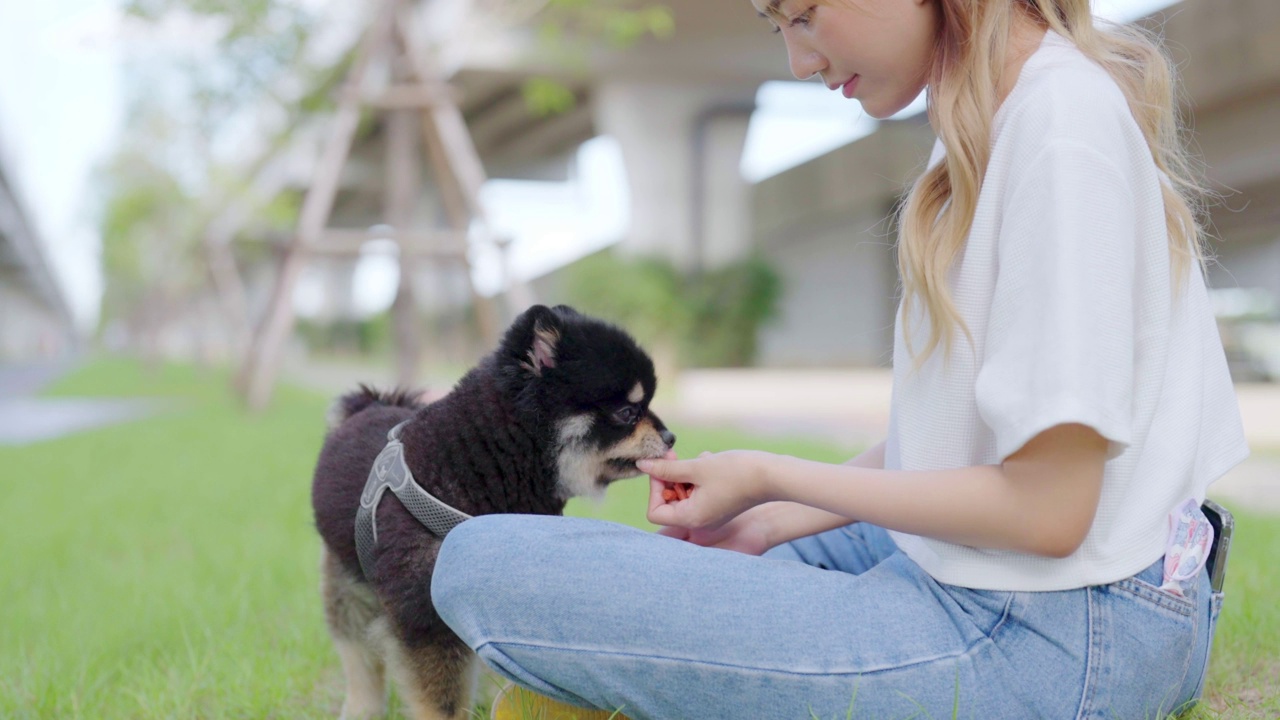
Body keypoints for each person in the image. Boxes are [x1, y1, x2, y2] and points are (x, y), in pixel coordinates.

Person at [431, 0, 1250, 717]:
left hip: (1052, 637)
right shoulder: (983, 119)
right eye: (778, 24)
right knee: (697, 560)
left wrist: (776, 476)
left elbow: (1048, 509)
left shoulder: (1058, 130)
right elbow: (980, 438)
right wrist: (776, 519)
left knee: (484, 561)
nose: (799, 58)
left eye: (805, 11)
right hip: (1020, 587)